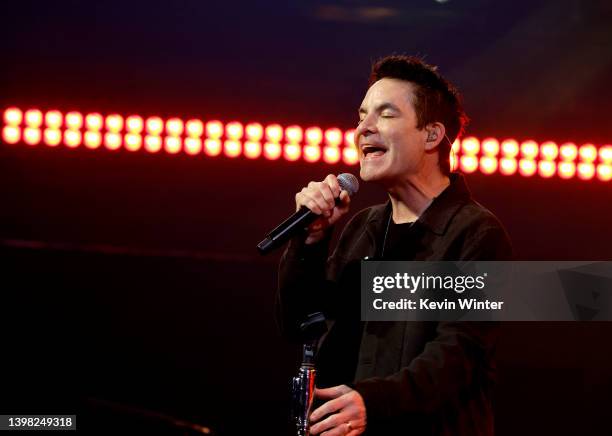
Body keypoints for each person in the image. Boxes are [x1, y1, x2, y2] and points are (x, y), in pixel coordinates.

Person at [277, 55, 512, 436]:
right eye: (361, 116)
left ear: (432, 135)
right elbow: (299, 325)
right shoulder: (363, 229)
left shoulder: (476, 233)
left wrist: (373, 402)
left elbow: (459, 352)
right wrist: (311, 242)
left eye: (385, 115)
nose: (363, 129)